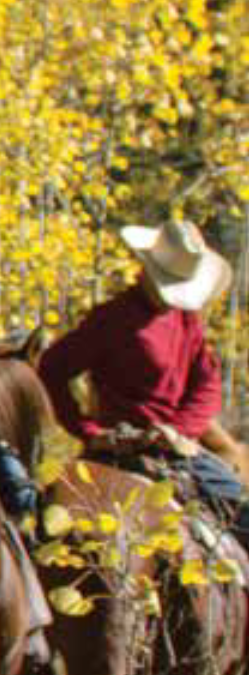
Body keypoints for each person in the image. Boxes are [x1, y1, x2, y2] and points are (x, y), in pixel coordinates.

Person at [40, 210, 249, 556]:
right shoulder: (111, 319)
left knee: (241, 511)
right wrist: (91, 431)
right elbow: (52, 369)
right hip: (120, 444)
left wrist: (178, 431)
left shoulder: (186, 320)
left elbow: (207, 385)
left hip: (176, 448)